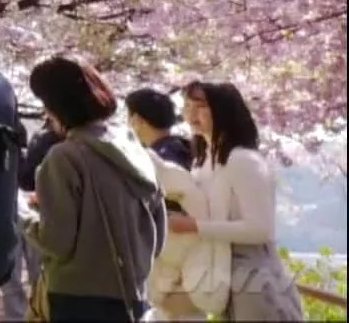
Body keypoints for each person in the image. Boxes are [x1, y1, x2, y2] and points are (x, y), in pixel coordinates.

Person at [23, 56, 166, 323]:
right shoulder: (136, 151)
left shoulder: (65, 157)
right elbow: (158, 237)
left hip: (77, 296)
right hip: (132, 296)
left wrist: (23, 215)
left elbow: (57, 242)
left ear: (56, 105)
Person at [172, 81, 305, 321]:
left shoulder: (243, 160)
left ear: (223, 111)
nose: (191, 113)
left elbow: (260, 229)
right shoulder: (202, 162)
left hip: (255, 272)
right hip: (221, 271)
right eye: (188, 105)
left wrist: (194, 226)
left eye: (201, 106)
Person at [3, 116, 61, 320]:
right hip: (16, 203)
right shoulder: (37, 133)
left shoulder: (63, 139)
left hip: (37, 208)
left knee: (39, 273)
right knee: (12, 275)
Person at [125, 88, 195, 170]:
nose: (128, 124)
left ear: (137, 119)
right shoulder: (184, 144)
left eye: (128, 116)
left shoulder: (160, 160)